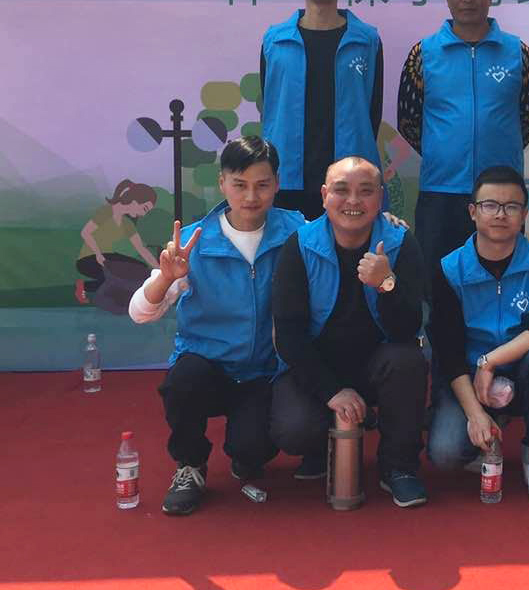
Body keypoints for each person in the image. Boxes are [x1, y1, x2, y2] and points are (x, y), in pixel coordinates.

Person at [128, 137, 305, 515]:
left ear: (277, 184)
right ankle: (190, 464)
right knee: (182, 381)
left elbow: (343, 231)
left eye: (262, 185)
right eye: (240, 184)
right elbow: (139, 312)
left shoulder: (298, 231)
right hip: (206, 368)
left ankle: (247, 450)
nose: (251, 197)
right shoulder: (193, 241)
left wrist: (387, 224)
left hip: (262, 374)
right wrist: (166, 277)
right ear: (222, 183)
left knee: (253, 451)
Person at [269, 157, 430, 507]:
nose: (353, 201)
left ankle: (399, 467)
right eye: (341, 190)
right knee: (294, 429)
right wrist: (331, 391)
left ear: (380, 197)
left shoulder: (401, 243)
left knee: (407, 361)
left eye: (366, 191)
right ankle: (319, 449)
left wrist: (386, 284)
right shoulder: (300, 246)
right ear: (324, 195)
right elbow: (289, 336)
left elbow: (406, 329)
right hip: (317, 365)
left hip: (376, 363)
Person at [397, 0, 529, 293]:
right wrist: (444, 151)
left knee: (502, 284)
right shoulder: (423, 53)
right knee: (439, 287)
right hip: (441, 191)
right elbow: (409, 120)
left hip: (501, 194)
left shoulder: (518, 53)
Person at [427, 166, 529, 503]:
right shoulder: (450, 269)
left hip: (521, 371)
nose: (500, 215)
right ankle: (486, 428)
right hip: (466, 378)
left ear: (524, 215)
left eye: (511, 206)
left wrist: (490, 362)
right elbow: (447, 349)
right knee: (445, 454)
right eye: (490, 205)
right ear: (473, 212)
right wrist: (475, 413)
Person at [260, 0, 383, 220]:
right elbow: (270, 104)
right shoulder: (275, 40)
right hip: (287, 173)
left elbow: (372, 109)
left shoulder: (366, 40)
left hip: (348, 177)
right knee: (288, 244)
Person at [77, 179, 159, 312]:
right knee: (116, 278)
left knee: (141, 269)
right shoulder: (106, 212)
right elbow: (85, 232)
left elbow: (141, 248)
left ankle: (102, 291)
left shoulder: (127, 223)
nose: (143, 214)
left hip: (108, 258)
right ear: (134, 201)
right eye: (144, 208)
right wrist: (97, 254)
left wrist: (159, 270)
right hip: (89, 258)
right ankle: (86, 287)